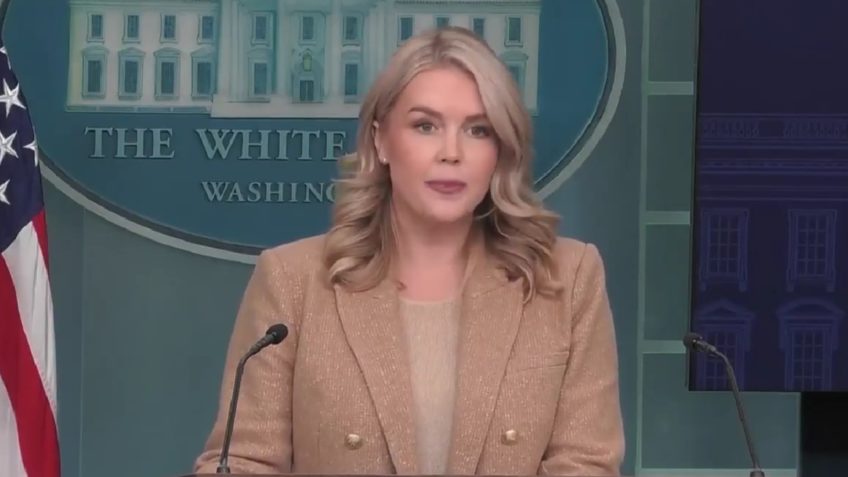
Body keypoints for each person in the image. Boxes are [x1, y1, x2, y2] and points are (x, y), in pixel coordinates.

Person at [193, 26, 624, 475]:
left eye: (478, 130)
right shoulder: (291, 280)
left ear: (501, 149)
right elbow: (246, 462)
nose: (451, 153)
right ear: (380, 140)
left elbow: (585, 464)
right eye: (425, 126)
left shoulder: (568, 278)